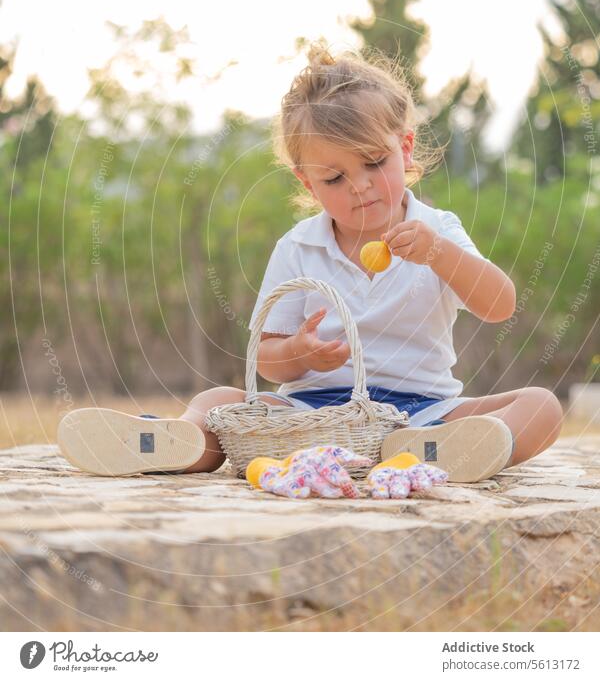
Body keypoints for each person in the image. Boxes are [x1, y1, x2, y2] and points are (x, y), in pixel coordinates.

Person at [57, 44, 563, 481]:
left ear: (405, 151)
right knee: (218, 402)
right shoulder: (299, 247)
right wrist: (300, 352)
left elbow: (500, 305)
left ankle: (450, 454)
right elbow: (265, 356)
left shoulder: (439, 231)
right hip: (312, 415)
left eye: (373, 163)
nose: (360, 186)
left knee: (541, 405)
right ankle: (169, 444)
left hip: (424, 412)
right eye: (334, 179)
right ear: (307, 183)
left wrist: (439, 255)